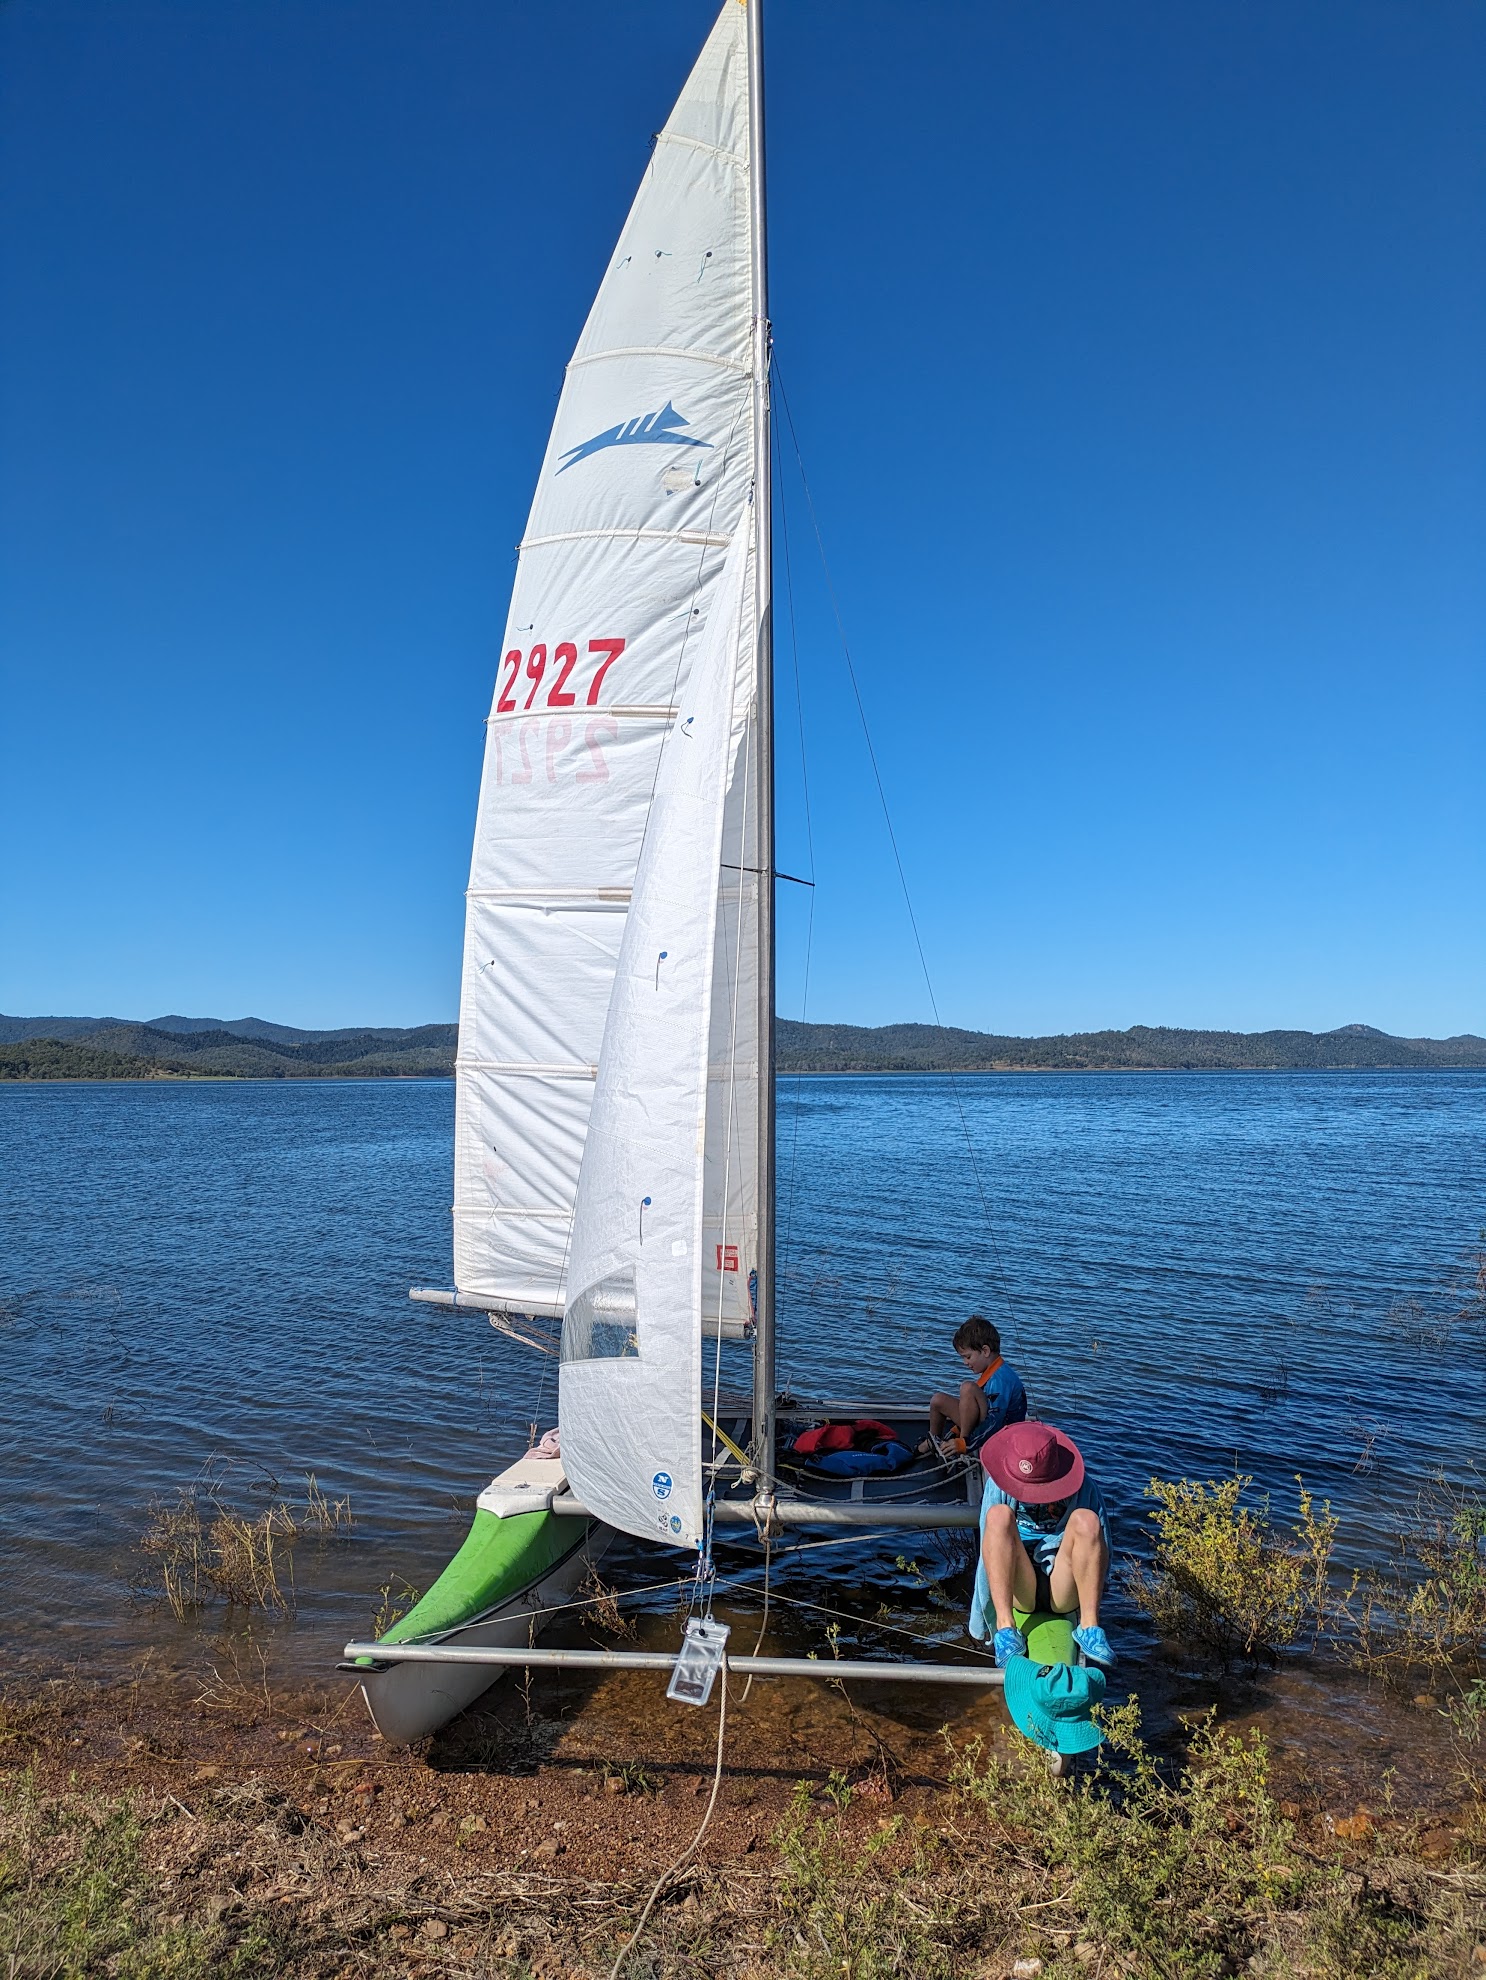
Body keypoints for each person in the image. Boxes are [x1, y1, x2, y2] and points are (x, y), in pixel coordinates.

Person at [970, 1418, 1114, 1669]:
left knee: (1088, 1520)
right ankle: (1006, 1629)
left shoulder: (1085, 1487)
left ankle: (1090, 1627)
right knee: (998, 1516)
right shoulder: (997, 1487)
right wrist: (984, 1621)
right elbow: (988, 1548)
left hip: (1062, 1583)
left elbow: (1103, 1547)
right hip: (1019, 1584)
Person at [919, 1314, 1026, 1456]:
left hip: (1002, 1434)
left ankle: (963, 1445)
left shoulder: (1001, 1379)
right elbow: (973, 1410)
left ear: (986, 1351)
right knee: (938, 1400)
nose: (965, 1362)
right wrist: (954, 1431)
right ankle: (934, 1440)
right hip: (985, 1421)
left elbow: (995, 1422)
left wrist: (965, 1444)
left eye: (968, 1357)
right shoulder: (990, 1372)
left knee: (968, 1388)